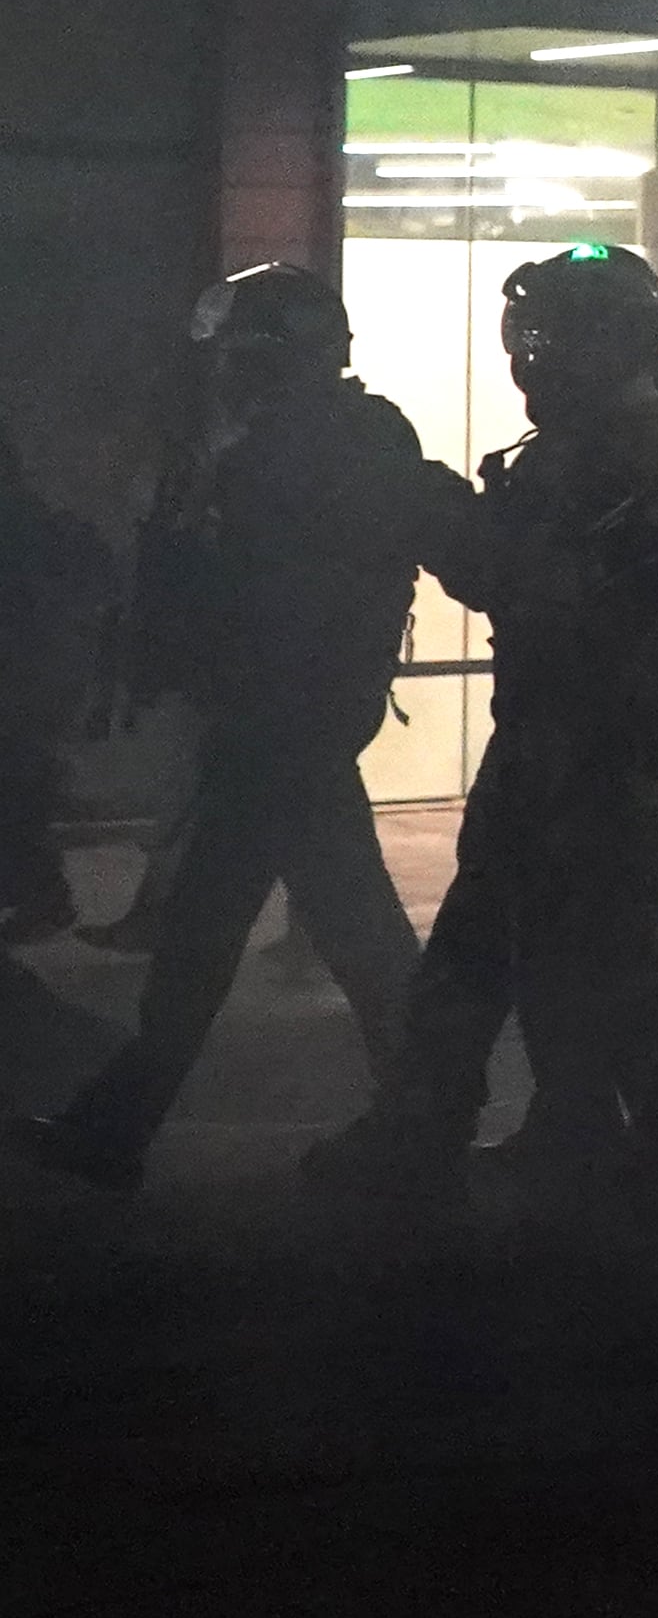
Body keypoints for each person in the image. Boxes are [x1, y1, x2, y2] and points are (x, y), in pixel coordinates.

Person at [307, 246, 658, 1212]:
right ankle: (516, 1122)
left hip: (600, 733)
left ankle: (654, 1143)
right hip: (554, 725)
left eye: (549, 337)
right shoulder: (602, 439)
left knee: (605, 948)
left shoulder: (649, 449)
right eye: (525, 337)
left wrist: (433, 509)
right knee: (500, 936)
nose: (530, 358)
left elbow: (548, 583)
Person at [15, 270, 454, 1189]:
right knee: (286, 928)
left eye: (239, 358)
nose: (224, 376)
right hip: (279, 719)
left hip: (285, 721)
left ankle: (422, 1122)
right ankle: (123, 1125)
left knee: (295, 933)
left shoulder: (312, 447)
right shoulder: (311, 440)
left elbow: (265, 589)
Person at [0, 416, 114, 948]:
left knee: (18, 791)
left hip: (21, 681)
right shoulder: (35, 520)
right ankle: (42, 897)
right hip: (32, 680)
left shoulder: (22, 524)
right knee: (21, 790)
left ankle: (42, 897)